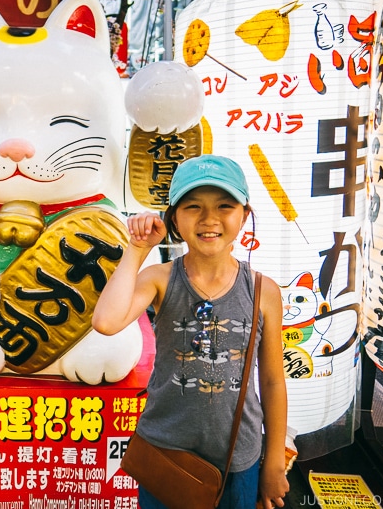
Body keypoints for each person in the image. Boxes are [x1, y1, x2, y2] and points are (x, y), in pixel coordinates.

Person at [92, 155, 289, 509]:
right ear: (174, 220)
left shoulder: (264, 292)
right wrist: (138, 248)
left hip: (237, 457)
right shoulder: (161, 279)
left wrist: (274, 460)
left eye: (224, 206)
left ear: (244, 216)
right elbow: (106, 321)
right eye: (193, 206)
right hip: (166, 453)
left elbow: (273, 381)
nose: (209, 219)